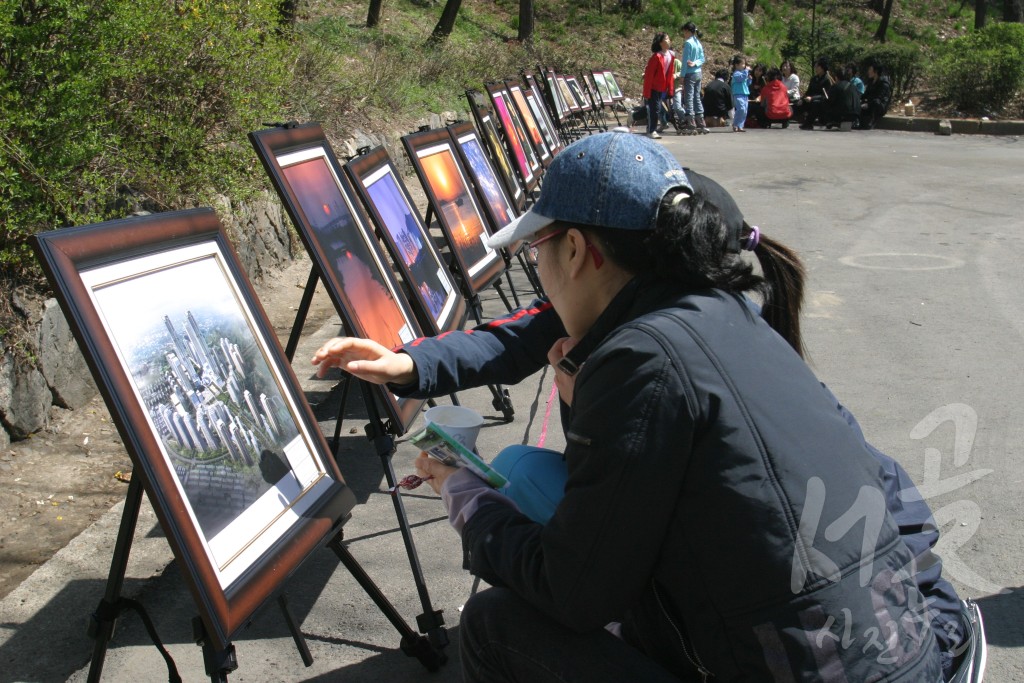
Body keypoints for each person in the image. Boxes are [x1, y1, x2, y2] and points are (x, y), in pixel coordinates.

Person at [312, 149, 966, 683]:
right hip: (916, 648)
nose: (536, 270)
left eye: (536, 247)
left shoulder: (641, 358)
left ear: (575, 249)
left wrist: (462, 492)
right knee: (530, 478)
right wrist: (413, 363)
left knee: (495, 625)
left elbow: (573, 590)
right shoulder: (727, 311)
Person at [642, 32, 674, 139]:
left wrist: (670, 89)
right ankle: (652, 130)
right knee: (655, 108)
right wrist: (646, 92)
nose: (669, 40)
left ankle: (633, 116)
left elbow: (669, 74)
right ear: (661, 42)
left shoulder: (671, 55)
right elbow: (649, 76)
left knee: (657, 108)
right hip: (653, 87)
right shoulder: (656, 57)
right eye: (667, 39)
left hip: (663, 87)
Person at [680, 21, 709, 133]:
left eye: (684, 32)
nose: (684, 34)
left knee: (689, 97)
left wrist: (682, 76)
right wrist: (696, 63)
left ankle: (691, 121)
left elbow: (684, 62)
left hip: (690, 74)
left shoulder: (688, 43)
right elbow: (702, 59)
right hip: (698, 73)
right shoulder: (698, 42)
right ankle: (701, 121)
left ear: (687, 31)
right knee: (697, 97)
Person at [799, 56, 834, 129]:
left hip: (823, 101)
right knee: (799, 102)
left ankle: (808, 123)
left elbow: (825, 95)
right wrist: (803, 98)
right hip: (811, 99)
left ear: (822, 68)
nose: (815, 68)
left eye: (817, 66)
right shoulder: (814, 79)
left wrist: (812, 98)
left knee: (816, 103)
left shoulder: (827, 79)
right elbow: (809, 91)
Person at [824, 63, 862, 129]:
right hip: (855, 115)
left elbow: (830, 101)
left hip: (842, 114)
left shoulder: (835, 87)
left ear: (836, 77)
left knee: (824, 103)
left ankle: (833, 121)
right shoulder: (853, 87)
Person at [860, 59, 893, 130]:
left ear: (876, 71)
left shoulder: (883, 83)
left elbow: (879, 97)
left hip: (879, 106)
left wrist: (868, 104)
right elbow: (865, 95)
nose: (868, 71)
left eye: (870, 69)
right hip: (870, 104)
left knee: (876, 102)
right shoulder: (871, 81)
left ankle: (872, 121)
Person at [730, 55, 751, 132]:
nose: (744, 66)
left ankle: (740, 125)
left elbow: (746, 84)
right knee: (741, 109)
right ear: (736, 65)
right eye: (742, 64)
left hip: (745, 94)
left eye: (744, 64)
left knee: (745, 111)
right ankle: (735, 124)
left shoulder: (743, 73)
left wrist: (749, 80)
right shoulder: (736, 74)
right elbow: (740, 79)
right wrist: (746, 72)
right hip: (738, 94)